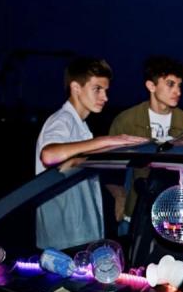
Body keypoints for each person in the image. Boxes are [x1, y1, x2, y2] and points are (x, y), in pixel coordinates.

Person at [35, 57, 148, 249]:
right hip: (64, 239)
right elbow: (48, 155)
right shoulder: (62, 121)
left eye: (106, 90)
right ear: (76, 88)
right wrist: (107, 140)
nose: (105, 97)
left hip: (82, 234)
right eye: (97, 89)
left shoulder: (81, 126)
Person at [108, 55, 183, 227]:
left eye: (179, 85)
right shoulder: (126, 121)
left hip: (175, 214)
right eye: (170, 84)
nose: (178, 91)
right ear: (151, 85)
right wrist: (118, 195)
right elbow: (109, 167)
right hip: (135, 211)